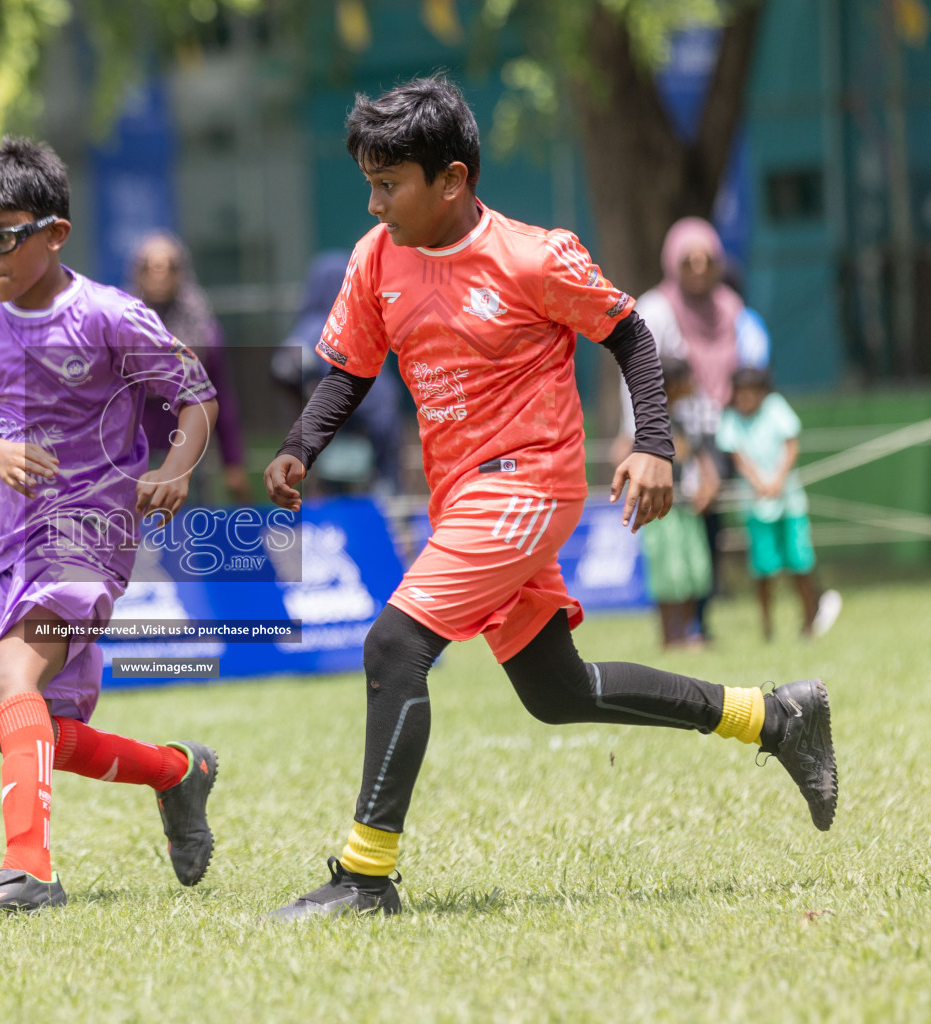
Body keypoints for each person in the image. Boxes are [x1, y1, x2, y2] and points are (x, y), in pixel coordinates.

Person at [260, 76, 837, 920]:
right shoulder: (373, 260)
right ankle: (776, 717)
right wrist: (298, 447)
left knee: (392, 646)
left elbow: (632, 334)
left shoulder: (535, 255)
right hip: (461, 499)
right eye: (369, 184)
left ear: (451, 180)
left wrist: (654, 446)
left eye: (390, 184)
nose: (375, 203)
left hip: (529, 484)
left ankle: (365, 876)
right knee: (555, 691)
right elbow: (349, 369)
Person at [0, 138, 222, 918]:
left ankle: (27, 870)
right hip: (13, 540)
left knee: (8, 681)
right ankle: (175, 772)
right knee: (26, 727)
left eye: (2, 237)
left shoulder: (109, 316)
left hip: (91, 530)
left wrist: (176, 465)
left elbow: (197, 397)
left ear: (54, 232)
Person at [615, 217, 771, 639]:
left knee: (711, 528)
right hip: (664, 439)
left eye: (707, 261)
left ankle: (701, 619)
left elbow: (751, 368)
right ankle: (676, 627)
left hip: (717, 434)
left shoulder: (731, 309)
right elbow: (635, 375)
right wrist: (637, 439)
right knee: (670, 536)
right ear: (673, 262)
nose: (699, 269)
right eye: (689, 261)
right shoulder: (655, 309)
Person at [716, 368, 842, 642]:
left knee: (800, 562)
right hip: (756, 506)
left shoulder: (776, 407)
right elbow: (737, 456)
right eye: (741, 393)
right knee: (763, 568)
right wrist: (759, 483)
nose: (745, 399)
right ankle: (767, 629)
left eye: (751, 392)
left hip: (789, 502)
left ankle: (810, 621)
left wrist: (778, 480)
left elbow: (791, 445)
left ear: (763, 392)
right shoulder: (730, 418)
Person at [130, 232, 250, 505]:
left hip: (186, 455)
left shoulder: (203, 331)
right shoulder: (119, 326)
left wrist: (233, 462)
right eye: (150, 267)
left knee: (186, 536)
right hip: (131, 455)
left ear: (180, 272)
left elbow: (221, 398)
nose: (158, 275)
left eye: (168, 267)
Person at [272, 250, 406, 495]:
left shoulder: (321, 324)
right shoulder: (353, 321)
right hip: (375, 428)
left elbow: (282, 367)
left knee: (340, 503)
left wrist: (306, 393)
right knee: (382, 498)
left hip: (346, 430)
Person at [637, 359, 719, 648]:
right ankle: (670, 638)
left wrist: (709, 484)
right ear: (673, 384)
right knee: (668, 575)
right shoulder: (650, 420)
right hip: (661, 510)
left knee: (692, 571)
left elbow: (696, 455)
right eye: (687, 378)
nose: (693, 384)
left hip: (685, 505)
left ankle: (688, 633)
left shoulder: (681, 420)